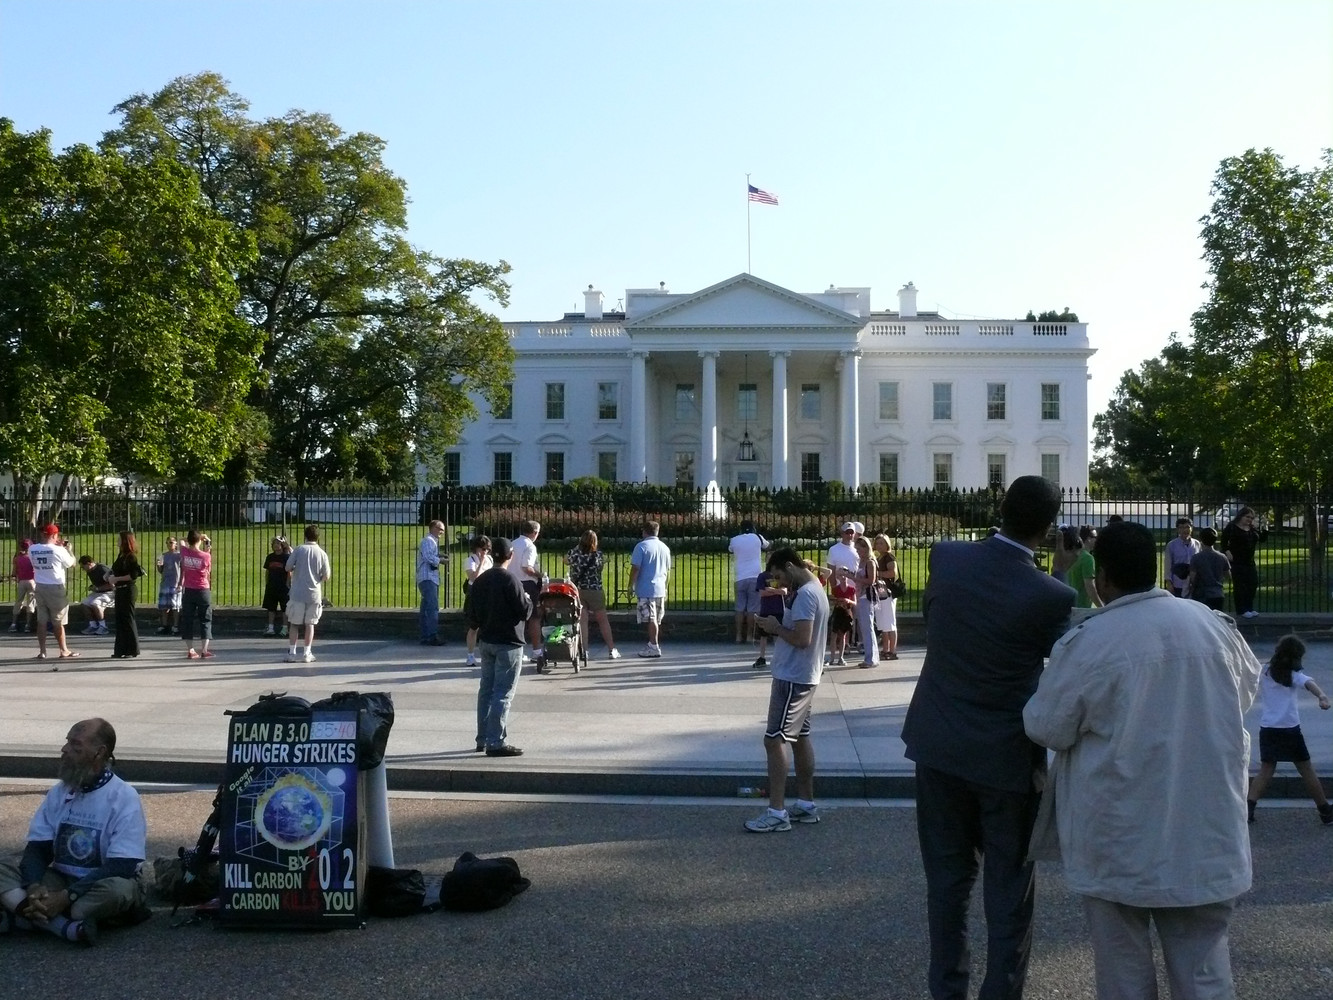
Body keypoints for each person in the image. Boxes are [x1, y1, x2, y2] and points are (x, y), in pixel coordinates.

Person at [1023, 521, 1261, 1000]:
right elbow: (1246, 692)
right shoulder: (1212, 628)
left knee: (1124, 977)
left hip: (1119, 834)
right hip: (1204, 826)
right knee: (1206, 977)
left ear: (1103, 576)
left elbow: (1046, 726)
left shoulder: (1091, 641)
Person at [901, 475, 1074, 1000]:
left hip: (939, 742)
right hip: (1005, 757)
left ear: (1001, 508)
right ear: (1049, 527)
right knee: (1008, 894)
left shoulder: (947, 557)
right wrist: (1059, 574)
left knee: (946, 886)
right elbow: (1058, 654)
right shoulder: (1052, 594)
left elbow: (941, 621)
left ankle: (947, 991)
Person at [0, 718, 147, 944]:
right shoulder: (60, 792)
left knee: (117, 891)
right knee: (4, 868)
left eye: (75, 745)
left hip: (100, 884)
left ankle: (23, 915)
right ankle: (65, 927)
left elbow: (122, 865)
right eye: (67, 742)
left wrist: (68, 896)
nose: (64, 749)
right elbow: (38, 848)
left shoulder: (124, 797)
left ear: (99, 752)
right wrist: (33, 886)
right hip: (60, 878)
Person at [744, 547, 830, 832]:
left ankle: (777, 812)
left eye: (779, 576)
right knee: (800, 737)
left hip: (793, 676)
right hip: (803, 675)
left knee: (774, 739)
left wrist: (775, 627)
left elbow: (803, 639)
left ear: (790, 567)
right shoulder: (814, 589)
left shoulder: (805, 595)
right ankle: (806, 804)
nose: (779, 582)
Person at [1246, 634, 1333, 825]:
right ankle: (1325, 811)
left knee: (1266, 770)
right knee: (1306, 770)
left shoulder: (1265, 671)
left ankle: (1248, 809)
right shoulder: (1293, 675)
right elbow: (1309, 684)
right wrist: (1322, 696)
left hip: (1268, 729)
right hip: (1290, 729)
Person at [466, 537, 531, 757]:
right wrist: (529, 600)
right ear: (510, 555)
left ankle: (483, 738)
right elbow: (524, 611)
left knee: (486, 690)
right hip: (508, 643)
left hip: (487, 641)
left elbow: (473, 613)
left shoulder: (481, 580)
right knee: (503, 693)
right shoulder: (510, 580)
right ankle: (496, 741)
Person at [565, 530, 620, 661]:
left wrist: (576, 549)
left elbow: (565, 561)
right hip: (595, 589)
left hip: (579, 590)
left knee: (582, 622)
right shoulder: (598, 555)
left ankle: (585, 651)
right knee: (603, 620)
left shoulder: (574, 553)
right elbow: (599, 569)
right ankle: (611, 649)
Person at [27, 524, 79, 660]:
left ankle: (42, 651)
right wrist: (68, 550)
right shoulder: (59, 550)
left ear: (42, 534)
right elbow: (72, 564)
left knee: (42, 620)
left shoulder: (32, 549)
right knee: (58, 621)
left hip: (40, 585)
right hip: (55, 586)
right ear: (55, 535)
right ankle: (63, 650)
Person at [284, 525, 331, 663]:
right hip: (314, 593)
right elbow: (326, 576)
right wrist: (318, 578)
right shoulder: (322, 553)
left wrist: (296, 568)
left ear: (305, 536)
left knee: (294, 624)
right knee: (310, 624)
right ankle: (307, 653)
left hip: (297, 592)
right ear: (318, 537)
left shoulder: (299, 549)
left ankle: (292, 653)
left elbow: (287, 567)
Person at [629, 520, 672, 658]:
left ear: (644, 531)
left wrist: (631, 585)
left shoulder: (641, 546)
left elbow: (636, 568)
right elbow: (668, 571)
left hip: (646, 588)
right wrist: (666, 587)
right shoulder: (665, 548)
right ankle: (652, 643)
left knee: (650, 618)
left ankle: (654, 645)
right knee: (656, 618)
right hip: (660, 588)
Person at [728, 519, 770, 643]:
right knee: (752, 608)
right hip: (755, 576)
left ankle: (738, 636)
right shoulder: (758, 537)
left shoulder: (734, 540)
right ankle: (749, 636)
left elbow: (730, 549)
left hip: (739, 576)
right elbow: (767, 545)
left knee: (739, 608)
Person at [508, 521, 544, 658]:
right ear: (534, 533)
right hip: (527, 584)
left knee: (516, 618)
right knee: (534, 618)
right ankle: (536, 651)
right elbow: (527, 567)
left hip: (512, 582)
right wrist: (541, 575)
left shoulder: (513, 543)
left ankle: (516, 650)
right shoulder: (530, 546)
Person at [1220, 506, 1262, 618]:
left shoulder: (1252, 529)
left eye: (1251, 518)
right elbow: (1223, 541)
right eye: (1247, 517)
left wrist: (1264, 529)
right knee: (1240, 586)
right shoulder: (1232, 527)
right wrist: (1227, 551)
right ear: (1241, 516)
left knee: (1252, 583)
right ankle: (1241, 610)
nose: (1249, 519)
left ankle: (1249, 607)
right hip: (1237, 561)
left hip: (1249, 561)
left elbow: (1261, 538)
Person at [108, 531, 145, 659]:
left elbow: (133, 575)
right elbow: (116, 570)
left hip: (128, 590)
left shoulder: (131, 557)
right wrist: (110, 576)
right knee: (120, 619)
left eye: (119, 539)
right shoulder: (121, 555)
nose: (117, 541)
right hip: (120, 590)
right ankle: (120, 649)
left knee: (128, 618)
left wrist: (117, 579)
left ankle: (132, 649)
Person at [179, 529, 213, 659]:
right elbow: (208, 569)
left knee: (188, 619)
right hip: (203, 589)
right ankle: (204, 649)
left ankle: (191, 650)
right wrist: (206, 542)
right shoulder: (206, 556)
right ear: (199, 540)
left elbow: (181, 540)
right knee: (205, 619)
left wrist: (191, 538)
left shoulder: (184, 552)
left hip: (189, 589)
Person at [463, 535, 493, 666]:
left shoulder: (490, 559)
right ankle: (470, 655)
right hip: (475, 594)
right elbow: (474, 578)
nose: (485, 552)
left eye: (487, 549)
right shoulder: (470, 560)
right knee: (473, 627)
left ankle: (489, 655)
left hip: (488, 594)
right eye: (483, 549)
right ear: (476, 548)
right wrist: (481, 562)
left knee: (489, 626)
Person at [751, 565, 788, 669]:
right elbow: (762, 593)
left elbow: (784, 591)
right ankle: (762, 657)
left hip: (778, 609)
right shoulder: (762, 576)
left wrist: (771, 590)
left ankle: (779, 657)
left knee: (778, 634)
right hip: (766, 608)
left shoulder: (781, 575)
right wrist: (776, 591)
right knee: (763, 635)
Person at [1186, 527, 1231, 610]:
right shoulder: (1222, 557)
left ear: (1201, 540)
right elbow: (1228, 575)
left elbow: (1193, 578)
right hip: (1218, 593)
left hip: (1201, 594)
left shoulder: (1196, 558)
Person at [416, 519, 445, 646]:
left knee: (426, 609)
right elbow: (428, 557)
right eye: (440, 529)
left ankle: (425, 636)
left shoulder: (431, 542)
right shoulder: (428, 541)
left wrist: (439, 556)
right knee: (432, 607)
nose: (442, 532)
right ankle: (432, 636)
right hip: (428, 577)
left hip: (428, 577)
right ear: (433, 528)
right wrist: (441, 560)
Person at [851, 536, 878, 668]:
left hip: (866, 596)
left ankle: (870, 659)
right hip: (860, 595)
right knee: (864, 627)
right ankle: (870, 657)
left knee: (867, 628)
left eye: (859, 549)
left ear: (865, 548)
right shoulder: (861, 562)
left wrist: (854, 578)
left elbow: (871, 580)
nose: (857, 552)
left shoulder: (870, 562)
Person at [871, 533, 900, 660]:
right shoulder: (879, 557)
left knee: (890, 622)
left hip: (888, 593)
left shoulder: (889, 557)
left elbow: (892, 573)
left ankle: (892, 651)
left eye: (881, 543)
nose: (879, 546)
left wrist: (878, 574)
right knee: (883, 623)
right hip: (880, 593)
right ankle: (885, 649)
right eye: (877, 543)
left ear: (887, 544)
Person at [1063, 525, 1101, 609]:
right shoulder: (1088, 558)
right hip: (1082, 607)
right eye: (1095, 537)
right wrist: (1101, 606)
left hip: (1068, 604)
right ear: (1088, 539)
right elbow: (1090, 586)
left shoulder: (1071, 555)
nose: (1097, 540)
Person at [76, 555, 115, 636]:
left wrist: (97, 588)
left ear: (89, 563)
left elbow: (111, 585)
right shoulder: (90, 571)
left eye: (83, 567)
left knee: (96, 603)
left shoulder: (102, 569)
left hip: (109, 593)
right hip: (99, 592)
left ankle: (103, 626)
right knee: (84, 603)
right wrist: (93, 587)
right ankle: (93, 625)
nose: (83, 569)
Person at [261, 535, 290, 637]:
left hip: (283, 586)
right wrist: (267, 582)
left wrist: (288, 583)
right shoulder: (270, 557)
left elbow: (289, 572)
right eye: (274, 543)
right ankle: (270, 628)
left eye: (278, 543)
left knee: (285, 608)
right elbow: (267, 571)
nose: (276, 545)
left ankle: (285, 628)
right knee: (271, 608)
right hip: (272, 586)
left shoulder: (286, 557)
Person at [1163, 517, 1201, 597]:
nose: (1184, 530)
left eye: (1187, 527)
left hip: (1193, 584)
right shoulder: (1171, 545)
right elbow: (1168, 565)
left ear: (1191, 528)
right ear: (1177, 530)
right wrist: (1169, 583)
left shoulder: (1197, 544)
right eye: (1181, 527)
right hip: (1178, 583)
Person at [154, 536, 182, 635]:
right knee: (164, 606)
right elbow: (161, 571)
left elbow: (183, 569)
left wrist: (180, 583)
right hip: (165, 583)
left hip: (175, 583)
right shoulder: (163, 555)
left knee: (175, 606)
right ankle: (164, 625)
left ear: (175, 544)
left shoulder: (179, 555)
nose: (169, 545)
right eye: (168, 543)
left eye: (171, 542)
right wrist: (158, 565)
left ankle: (175, 626)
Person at [9, 538, 36, 633]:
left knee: (18, 602)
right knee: (31, 602)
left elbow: (14, 572)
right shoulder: (32, 558)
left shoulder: (17, 558)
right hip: (32, 581)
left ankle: (13, 624)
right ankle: (28, 625)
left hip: (21, 581)